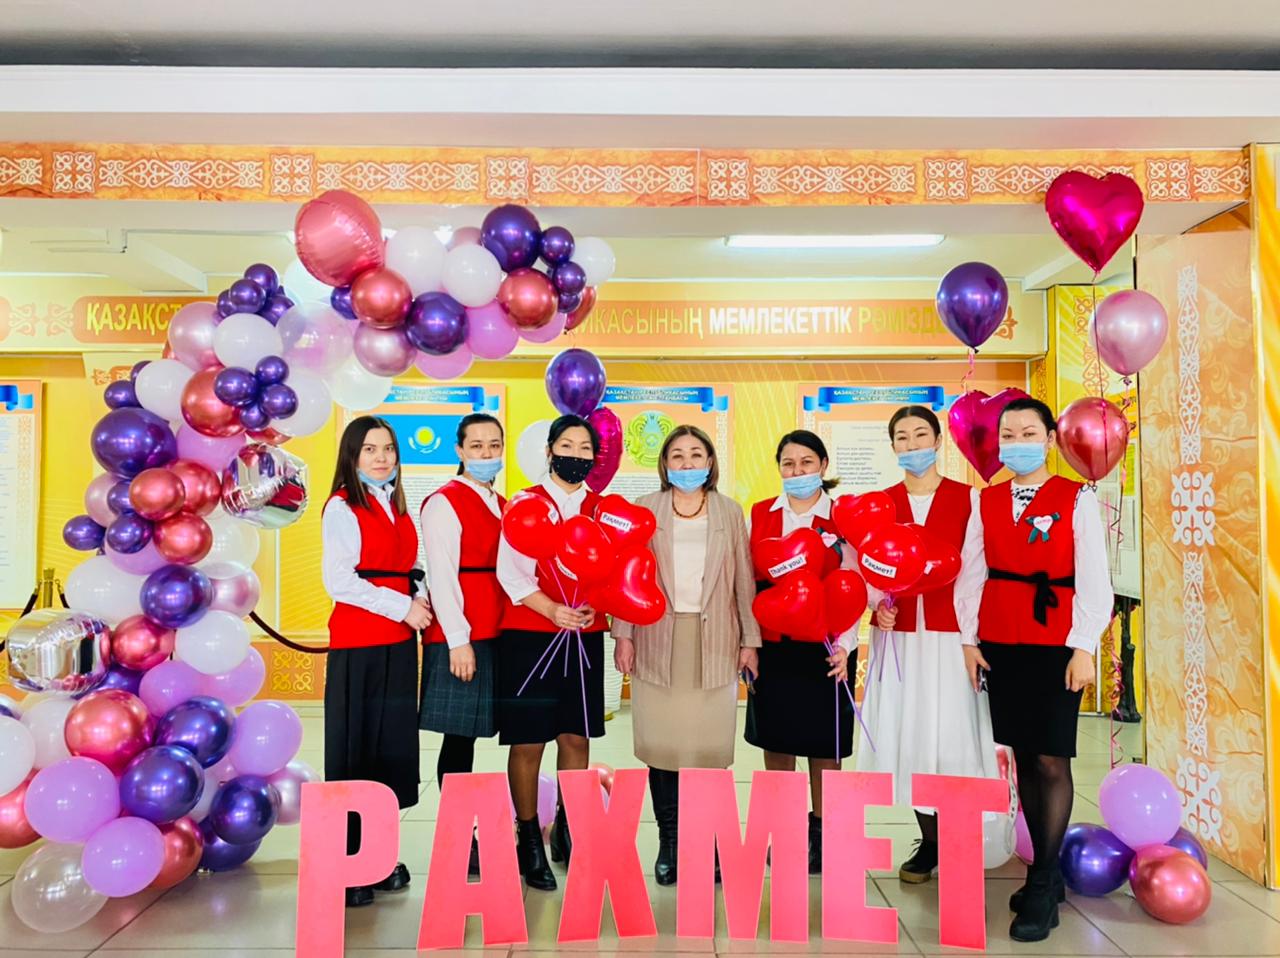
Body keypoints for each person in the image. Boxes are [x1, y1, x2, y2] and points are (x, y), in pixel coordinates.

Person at [955, 397, 1113, 943]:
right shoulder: (986, 500)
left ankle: (1044, 882)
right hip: (1002, 640)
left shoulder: (1077, 497)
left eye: (1028, 433)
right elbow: (972, 572)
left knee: (1051, 756)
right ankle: (1044, 870)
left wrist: (1084, 646)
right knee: (1022, 752)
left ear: (1049, 439)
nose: (1017, 442)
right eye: (1008, 434)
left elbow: (1094, 577)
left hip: (1056, 642)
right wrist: (969, 639)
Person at [855, 405, 999, 884]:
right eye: (902, 437)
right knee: (910, 735)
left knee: (951, 736)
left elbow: (975, 572)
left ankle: (958, 836)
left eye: (921, 435)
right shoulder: (881, 504)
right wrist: (877, 605)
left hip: (949, 640)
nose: (912, 445)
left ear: (938, 441)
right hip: (899, 644)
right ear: (892, 445)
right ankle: (930, 840)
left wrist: (970, 637)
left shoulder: (968, 499)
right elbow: (868, 568)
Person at [612, 425, 761, 885]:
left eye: (696, 454)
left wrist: (750, 640)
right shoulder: (645, 508)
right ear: (664, 464)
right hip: (658, 637)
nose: (687, 463)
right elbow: (627, 576)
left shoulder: (729, 511)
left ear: (710, 462)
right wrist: (623, 634)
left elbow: (743, 580)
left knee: (708, 749)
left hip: (715, 640)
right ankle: (671, 841)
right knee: (663, 747)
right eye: (677, 455)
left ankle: (709, 842)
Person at [321, 416, 432, 908]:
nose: (382, 457)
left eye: (388, 449)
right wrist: (402, 606)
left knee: (391, 749)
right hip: (359, 644)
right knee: (356, 751)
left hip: (398, 643)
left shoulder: (396, 505)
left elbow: (407, 569)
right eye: (370, 449)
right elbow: (340, 581)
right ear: (352, 455)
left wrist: (420, 596)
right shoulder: (342, 506)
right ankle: (349, 866)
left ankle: (379, 858)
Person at [495, 414, 608, 892]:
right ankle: (528, 839)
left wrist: (594, 606)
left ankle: (569, 827)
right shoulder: (525, 504)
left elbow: (611, 569)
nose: (575, 456)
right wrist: (551, 609)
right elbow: (509, 572)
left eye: (585, 449)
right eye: (567, 446)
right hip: (530, 636)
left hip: (583, 635)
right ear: (549, 451)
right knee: (529, 741)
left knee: (576, 738)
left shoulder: (602, 509)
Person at [744, 429, 855, 875]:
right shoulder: (761, 515)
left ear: (823, 466)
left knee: (825, 746)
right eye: (788, 463)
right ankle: (784, 829)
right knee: (777, 743)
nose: (797, 471)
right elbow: (748, 584)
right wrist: (749, 644)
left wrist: (846, 646)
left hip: (826, 649)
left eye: (806, 462)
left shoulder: (842, 517)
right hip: (773, 646)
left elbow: (854, 584)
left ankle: (824, 833)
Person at [419, 413, 507, 878]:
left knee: (477, 735)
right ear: (459, 450)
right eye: (476, 446)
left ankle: (487, 828)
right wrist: (458, 640)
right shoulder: (444, 502)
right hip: (463, 636)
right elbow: (442, 576)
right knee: (459, 739)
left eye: (494, 446)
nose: (486, 454)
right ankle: (458, 836)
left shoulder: (502, 503)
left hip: (497, 632)